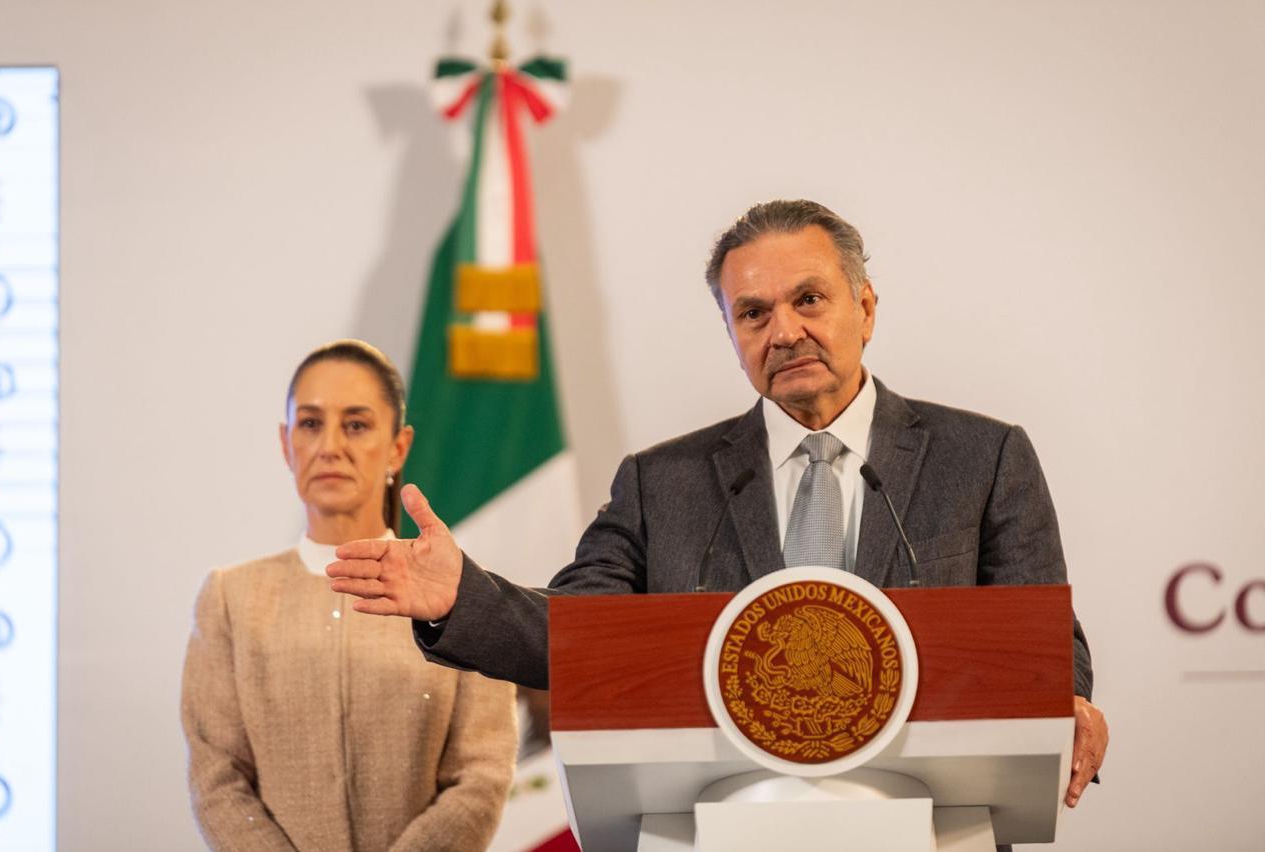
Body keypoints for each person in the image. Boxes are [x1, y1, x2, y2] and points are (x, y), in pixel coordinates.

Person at [327, 201, 1109, 811]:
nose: (785, 331)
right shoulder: (663, 483)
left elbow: (1041, 640)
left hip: (932, 822)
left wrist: (1069, 701)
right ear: (731, 331)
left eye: (810, 299)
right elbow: (579, 635)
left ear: (866, 308)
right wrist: (463, 596)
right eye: (754, 313)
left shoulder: (982, 458)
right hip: (724, 823)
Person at [181, 340, 517, 852]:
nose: (330, 446)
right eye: (310, 423)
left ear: (398, 447)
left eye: (356, 425)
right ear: (285, 443)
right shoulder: (231, 599)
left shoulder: (458, 595)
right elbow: (216, 775)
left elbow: (482, 775)